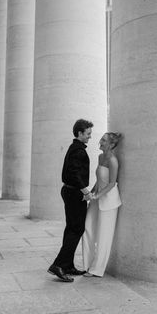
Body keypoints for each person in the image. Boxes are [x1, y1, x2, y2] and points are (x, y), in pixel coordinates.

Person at [48, 119, 94, 282]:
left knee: (71, 229)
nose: (90, 136)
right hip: (74, 193)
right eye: (88, 133)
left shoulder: (75, 147)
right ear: (80, 133)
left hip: (70, 191)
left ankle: (67, 265)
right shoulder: (78, 150)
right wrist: (85, 191)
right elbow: (74, 173)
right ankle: (59, 264)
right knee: (77, 229)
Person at [82, 132, 122, 277]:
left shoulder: (113, 160)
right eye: (101, 139)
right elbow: (99, 181)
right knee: (87, 228)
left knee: (104, 236)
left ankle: (96, 270)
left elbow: (112, 184)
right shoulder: (100, 157)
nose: (100, 141)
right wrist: (90, 194)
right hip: (97, 197)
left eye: (104, 140)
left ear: (111, 144)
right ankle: (87, 264)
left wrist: (97, 196)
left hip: (109, 201)